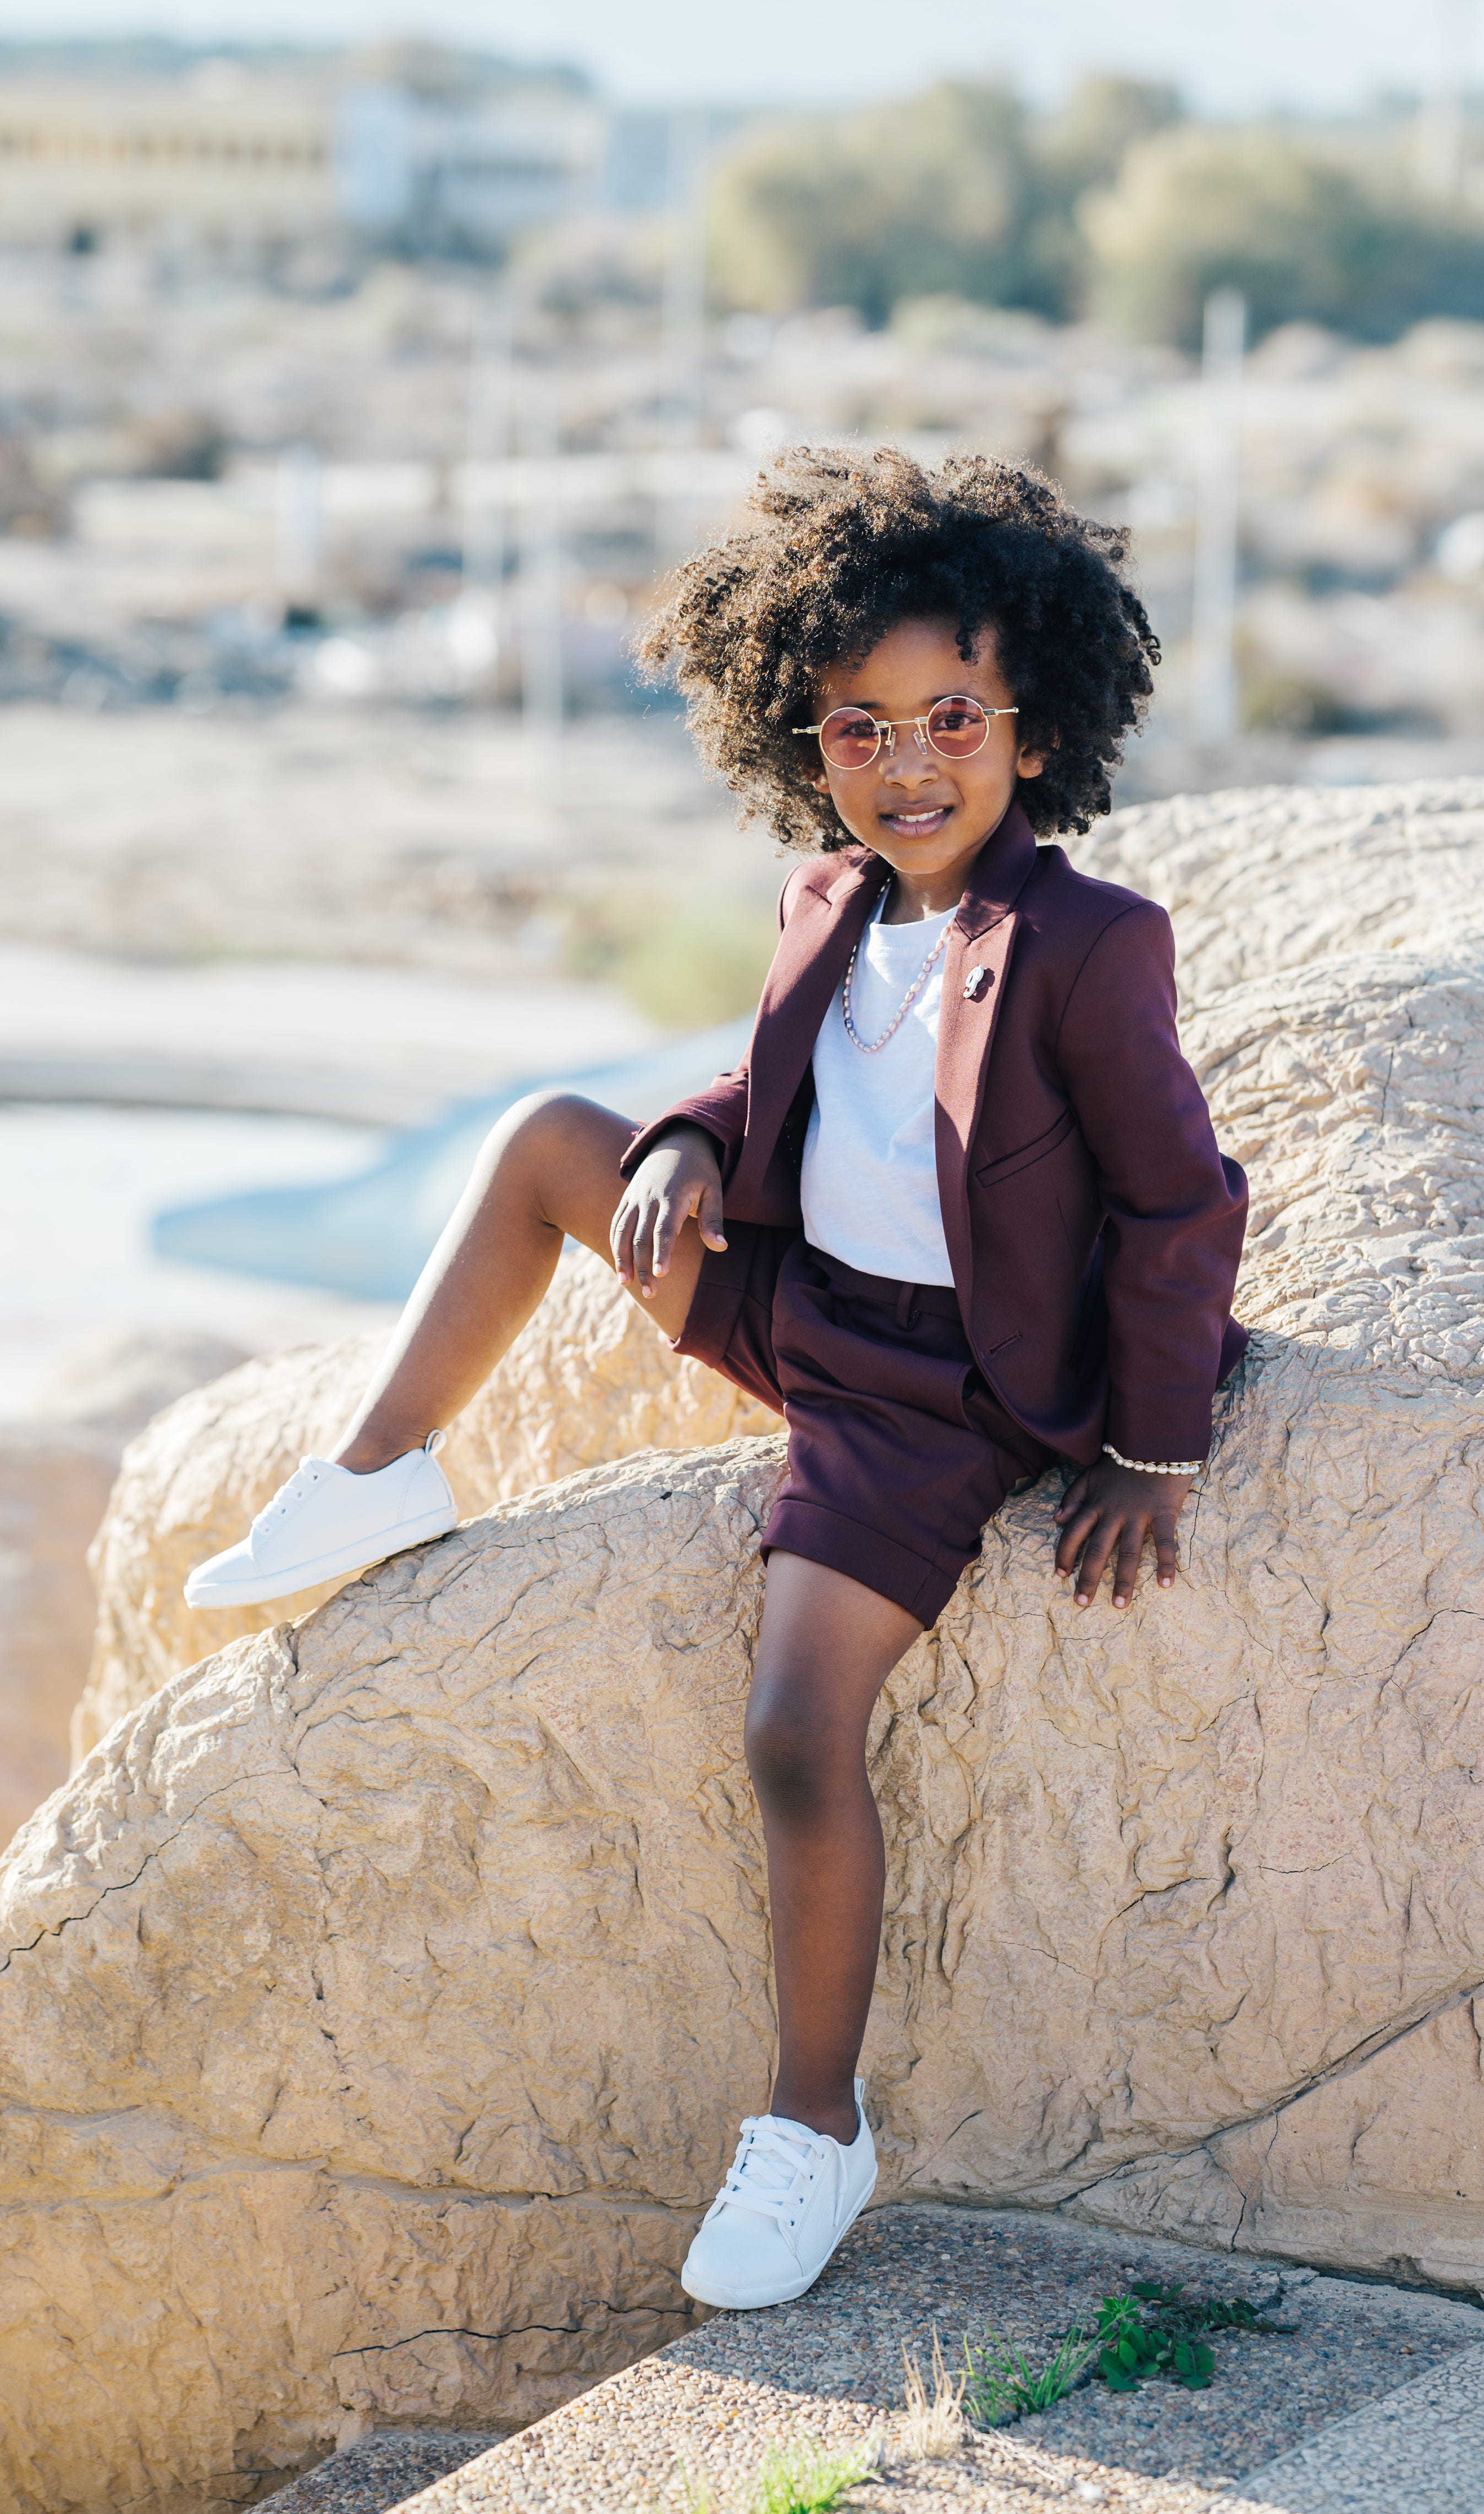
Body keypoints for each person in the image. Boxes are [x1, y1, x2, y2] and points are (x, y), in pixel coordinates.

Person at [185, 447, 1248, 2313]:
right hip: (807, 1300)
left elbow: (1179, 1197)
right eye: (859, 728)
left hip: (943, 1393)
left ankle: (813, 2121)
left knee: (789, 1724)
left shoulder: (1087, 945)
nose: (909, 767)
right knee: (544, 1141)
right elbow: (799, 1088)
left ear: (1032, 723)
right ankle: (375, 1467)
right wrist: (684, 1138)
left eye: (952, 720)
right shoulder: (828, 898)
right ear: (800, 737)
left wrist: (1153, 1448)